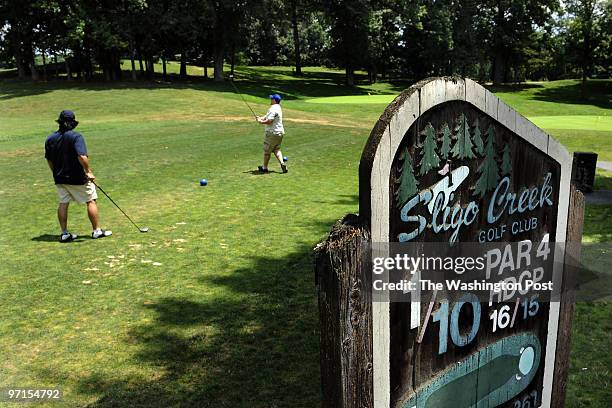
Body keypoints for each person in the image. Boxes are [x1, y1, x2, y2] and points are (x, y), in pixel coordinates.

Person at [44, 110, 112, 242]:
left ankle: (64, 233)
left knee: (63, 203)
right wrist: (88, 171)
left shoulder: (50, 139)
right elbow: (82, 156)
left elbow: (49, 160)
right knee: (91, 200)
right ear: (72, 123)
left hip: (60, 178)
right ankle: (97, 231)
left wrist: (55, 172)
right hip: (77, 178)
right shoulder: (76, 137)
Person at [256, 94, 288, 174]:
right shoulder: (278, 107)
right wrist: (261, 118)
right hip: (280, 133)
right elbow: (268, 116)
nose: (270, 100)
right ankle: (282, 163)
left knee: (267, 151)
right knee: (276, 149)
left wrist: (261, 122)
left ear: (274, 100)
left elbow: (270, 121)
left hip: (272, 133)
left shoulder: (273, 109)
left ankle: (264, 168)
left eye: (271, 99)